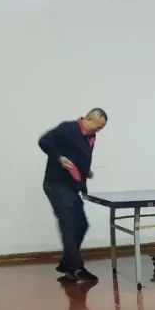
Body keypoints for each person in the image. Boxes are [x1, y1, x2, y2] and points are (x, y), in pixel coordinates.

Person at [38, 108, 108, 283]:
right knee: (69, 224)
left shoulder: (90, 136)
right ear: (88, 119)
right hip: (56, 184)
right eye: (98, 126)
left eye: (101, 128)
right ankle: (76, 267)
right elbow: (44, 141)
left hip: (72, 187)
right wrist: (59, 158)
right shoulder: (68, 129)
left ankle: (67, 263)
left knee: (82, 225)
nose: (98, 130)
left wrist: (86, 171)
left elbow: (79, 155)